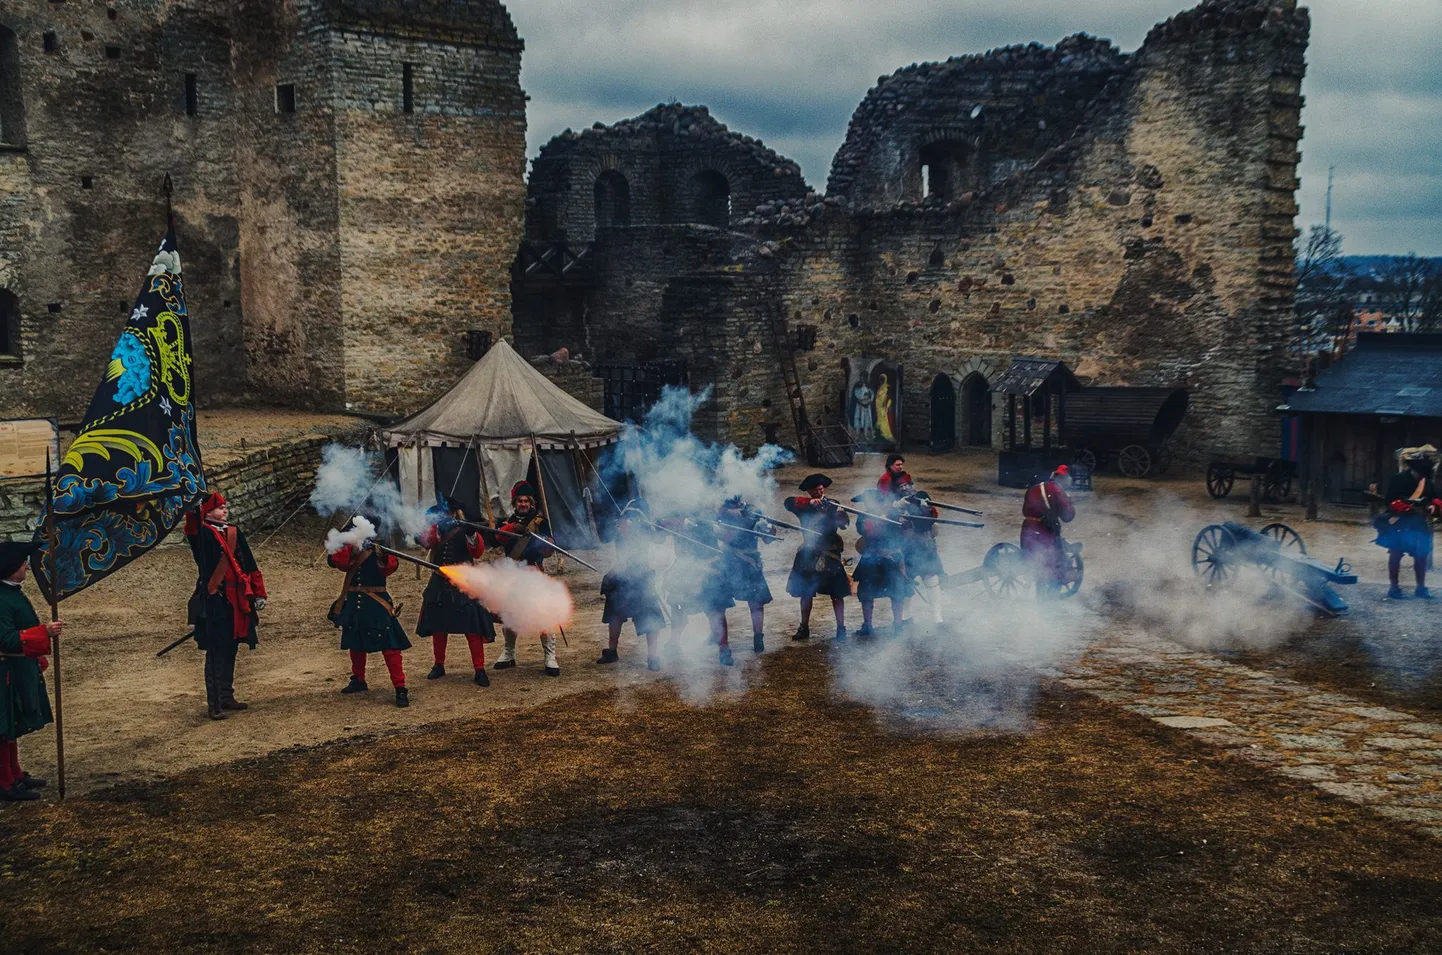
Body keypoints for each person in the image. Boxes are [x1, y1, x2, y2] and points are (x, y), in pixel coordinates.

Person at [185, 492, 266, 720]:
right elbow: (191, 529)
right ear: (208, 511)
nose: (225, 510)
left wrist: (259, 592)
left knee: (230, 647)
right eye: (220, 507)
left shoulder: (233, 532)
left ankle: (227, 695)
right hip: (215, 599)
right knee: (215, 652)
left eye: (225, 507)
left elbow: (249, 562)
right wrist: (194, 510)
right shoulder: (201, 533)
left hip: (236, 599)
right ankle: (215, 704)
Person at [327, 519, 411, 707]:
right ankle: (359, 679)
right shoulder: (351, 545)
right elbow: (337, 562)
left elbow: (390, 568)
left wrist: (381, 556)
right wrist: (353, 550)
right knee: (355, 643)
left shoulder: (381, 545)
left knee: (390, 647)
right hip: (355, 602)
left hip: (376, 603)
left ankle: (400, 687)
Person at [0, 541, 57, 801]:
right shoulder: (1, 599)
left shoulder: (12, 592)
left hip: (17, 668)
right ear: (10, 568)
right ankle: (4, 782)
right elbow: (7, 640)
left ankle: (15, 773)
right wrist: (42, 633)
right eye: (22, 562)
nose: (26, 565)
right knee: (3, 727)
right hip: (5, 671)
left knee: (12, 725)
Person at [416, 498, 493, 686]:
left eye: (447, 512)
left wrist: (471, 533)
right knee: (438, 626)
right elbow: (425, 541)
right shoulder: (437, 530)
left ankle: (479, 669)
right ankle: (438, 664)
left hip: (463, 582)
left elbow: (477, 552)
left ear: (454, 513)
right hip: (440, 581)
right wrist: (436, 529)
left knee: (473, 627)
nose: (445, 515)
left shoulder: (465, 528)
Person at [491, 483, 561, 676]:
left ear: (531, 503)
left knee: (542, 615)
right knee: (509, 615)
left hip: (532, 572)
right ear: (515, 502)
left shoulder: (540, 522)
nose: (523, 504)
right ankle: (509, 653)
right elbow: (496, 539)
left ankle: (550, 656)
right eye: (520, 500)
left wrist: (548, 543)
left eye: (526, 501)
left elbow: (548, 551)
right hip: (512, 573)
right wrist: (512, 528)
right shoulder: (507, 522)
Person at [599, 502, 668, 671]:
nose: (625, 523)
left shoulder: (645, 531)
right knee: (615, 616)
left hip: (642, 578)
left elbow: (660, 539)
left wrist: (653, 526)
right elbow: (604, 537)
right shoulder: (619, 532)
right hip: (621, 577)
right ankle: (612, 650)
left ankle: (653, 655)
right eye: (624, 519)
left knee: (650, 618)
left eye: (630, 519)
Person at [784, 474, 850, 642]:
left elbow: (844, 524)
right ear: (809, 491)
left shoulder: (832, 504)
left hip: (830, 553)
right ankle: (804, 626)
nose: (819, 491)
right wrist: (809, 502)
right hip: (809, 553)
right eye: (815, 490)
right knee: (806, 593)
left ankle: (841, 628)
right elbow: (788, 503)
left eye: (821, 489)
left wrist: (840, 515)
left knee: (837, 594)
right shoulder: (803, 506)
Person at [1376, 448, 1441, 599]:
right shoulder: (1398, 479)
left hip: (1419, 523)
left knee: (1421, 555)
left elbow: (1434, 499)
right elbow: (1389, 501)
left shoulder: (1427, 482)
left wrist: (1433, 506)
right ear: (1413, 469)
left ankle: (1421, 588)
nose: (1421, 476)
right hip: (1400, 522)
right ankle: (1394, 588)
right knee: (1395, 555)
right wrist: (1403, 505)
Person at [715, 495, 775, 655]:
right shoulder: (721, 512)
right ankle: (719, 639)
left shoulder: (754, 511)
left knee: (756, 603)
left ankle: (758, 637)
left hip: (751, 561)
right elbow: (720, 536)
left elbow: (769, 539)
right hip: (729, 560)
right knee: (719, 604)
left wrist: (767, 526)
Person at [851, 489, 913, 637]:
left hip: (892, 559)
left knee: (897, 594)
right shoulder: (863, 517)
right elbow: (867, 531)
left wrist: (903, 519)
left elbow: (907, 530)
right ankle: (867, 626)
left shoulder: (893, 514)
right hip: (871, 558)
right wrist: (879, 520)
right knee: (866, 594)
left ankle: (898, 625)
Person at [1021, 466, 1077, 597]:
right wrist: (1069, 502)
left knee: (1036, 563)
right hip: (1045, 531)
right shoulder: (1057, 491)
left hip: (1028, 530)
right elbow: (1067, 516)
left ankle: (1040, 593)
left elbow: (1025, 510)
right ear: (1063, 479)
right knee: (1054, 566)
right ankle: (1050, 600)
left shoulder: (1035, 488)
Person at [896, 481, 947, 625]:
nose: (906, 490)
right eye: (902, 488)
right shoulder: (897, 506)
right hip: (907, 551)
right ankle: (906, 618)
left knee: (932, 582)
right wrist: (898, 508)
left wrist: (927, 508)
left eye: (908, 487)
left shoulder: (923, 503)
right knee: (907, 585)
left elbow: (929, 522)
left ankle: (938, 619)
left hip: (926, 548)